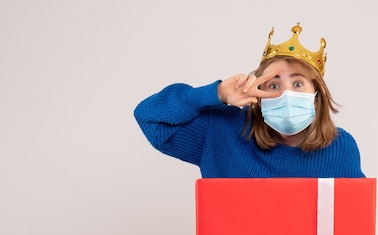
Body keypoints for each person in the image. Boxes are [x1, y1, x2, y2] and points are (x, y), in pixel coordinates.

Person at [134, 23, 365, 178]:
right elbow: (150, 118)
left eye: (297, 84)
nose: (285, 94)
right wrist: (217, 94)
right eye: (273, 85)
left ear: (317, 97)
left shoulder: (340, 147)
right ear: (258, 94)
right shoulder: (223, 130)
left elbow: (350, 227)